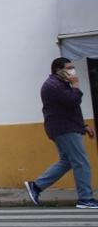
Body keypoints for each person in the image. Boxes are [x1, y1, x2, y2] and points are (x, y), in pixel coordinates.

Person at [24, 57, 97, 209]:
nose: (72, 70)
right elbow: (72, 102)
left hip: (65, 127)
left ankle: (36, 186)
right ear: (58, 70)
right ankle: (86, 198)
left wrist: (83, 126)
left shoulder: (59, 84)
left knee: (67, 162)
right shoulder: (53, 85)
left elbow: (68, 109)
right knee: (81, 162)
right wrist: (76, 85)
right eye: (69, 68)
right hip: (64, 129)